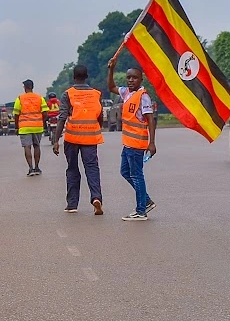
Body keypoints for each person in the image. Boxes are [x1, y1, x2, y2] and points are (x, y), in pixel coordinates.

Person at [107, 58, 158, 221]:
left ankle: (141, 210)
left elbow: (150, 119)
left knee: (137, 175)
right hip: (128, 143)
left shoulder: (143, 96)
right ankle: (146, 200)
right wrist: (111, 70)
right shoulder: (126, 93)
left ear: (141, 80)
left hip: (137, 143)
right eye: (128, 77)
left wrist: (151, 142)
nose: (130, 80)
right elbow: (111, 87)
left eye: (134, 77)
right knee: (125, 172)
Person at [53, 64, 105, 215]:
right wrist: (96, 128)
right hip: (90, 137)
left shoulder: (68, 94)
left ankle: (72, 204)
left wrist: (56, 140)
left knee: (72, 169)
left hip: (72, 138)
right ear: (86, 77)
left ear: (74, 77)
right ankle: (96, 198)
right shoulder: (96, 94)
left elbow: (62, 117)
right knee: (92, 168)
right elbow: (100, 115)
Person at [13, 79, 49, 176]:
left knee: (27, 147)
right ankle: (37, 167)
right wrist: (41, 120)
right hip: (37, 126)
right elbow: (45, 113)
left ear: (25, 87)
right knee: (37, 146)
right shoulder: (40, 98)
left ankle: (30, 168)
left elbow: (16, 114)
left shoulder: (20, 98)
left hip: (24, 127)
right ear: (32, 87)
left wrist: (17, 127)